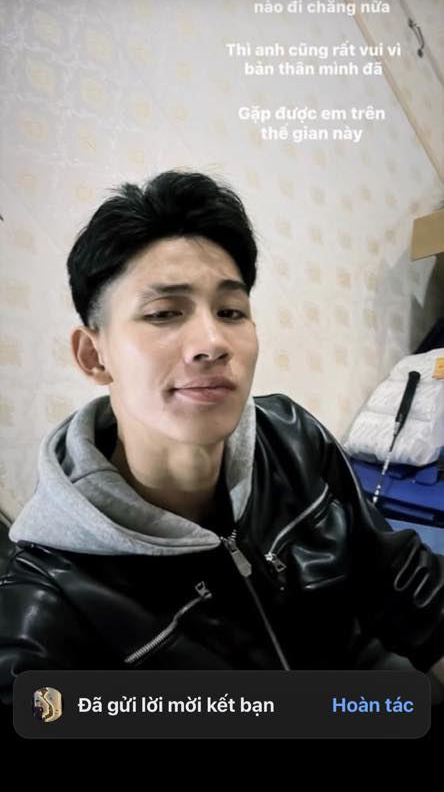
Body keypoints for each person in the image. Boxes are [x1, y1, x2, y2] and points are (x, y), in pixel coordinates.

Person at [1, 170, 444, 707]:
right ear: (95, 356)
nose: (212, 342)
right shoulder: (52, 601)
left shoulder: (290, 434)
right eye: (164, 313)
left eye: (231, 312)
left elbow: (400, 581)